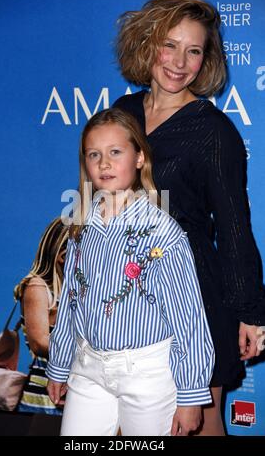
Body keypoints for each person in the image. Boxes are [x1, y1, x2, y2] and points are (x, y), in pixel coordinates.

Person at [113, 0, 265, 435]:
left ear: (206, 58)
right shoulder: (121, 116)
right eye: (170, 45)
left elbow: (235, 228)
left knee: (199, 422)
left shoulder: (214, 131)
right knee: (127, 423)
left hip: (194, 291)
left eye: (194, 50)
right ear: (147, 44)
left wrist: (251, 311)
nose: (180, 62)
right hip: (126, 291)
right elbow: (97, 206)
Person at [46, 108, 214, 436]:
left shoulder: (162, 232)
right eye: (94, 154)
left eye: (115, 152)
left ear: (139, 158)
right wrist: (59, 364)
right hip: (89, 368)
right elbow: (70, 302)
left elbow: (188, 317)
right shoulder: (81, 225)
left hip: (148, 373)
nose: (104, 163)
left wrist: (190, 395)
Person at [14, 217, 69, 414]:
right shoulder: (39, 287)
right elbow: (39, 343)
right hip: (43, 399)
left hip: (78, 394)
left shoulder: (81, 292)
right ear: (62, 256)